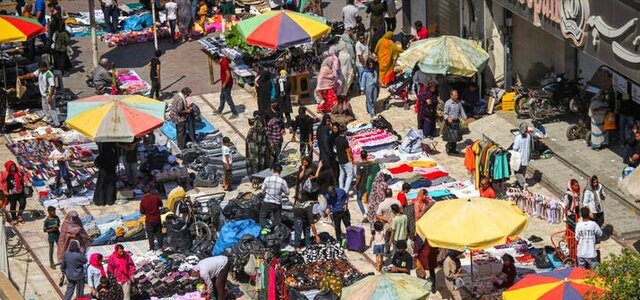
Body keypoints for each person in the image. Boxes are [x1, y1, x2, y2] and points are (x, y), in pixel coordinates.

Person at [18, 62, 58, 126]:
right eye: (40, 68)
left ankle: (56, 123)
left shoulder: (49, 75)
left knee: (52, 109)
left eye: (42, 68)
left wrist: (50, 97)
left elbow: (52, 86)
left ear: (45, 68)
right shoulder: (40, 71)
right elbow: (31, 75)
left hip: (49, 94)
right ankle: (50, 119)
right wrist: (22, 77)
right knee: (45, 108)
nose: (41, 69)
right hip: (43, 94)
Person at [1, 160, 31, 225]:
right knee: (13, 206)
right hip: (12, 193)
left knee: (23, 203)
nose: (13, 167)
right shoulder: (5, 174)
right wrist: (4, 191)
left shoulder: (19, 170)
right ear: (8, 167)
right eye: (11, 167)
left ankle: (19, 215)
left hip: (20, 191)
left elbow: (24, 175)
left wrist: (26, 181)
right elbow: (1, 182)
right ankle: (14, 218)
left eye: (13, 165)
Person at [212, 53, 239, 118]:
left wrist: (224, 83)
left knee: (228, 99)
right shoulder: (222, 60)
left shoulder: (224, 64)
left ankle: (234, 113)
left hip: (227, 84)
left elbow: (228, 75)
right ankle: (220, 110)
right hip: (224, 84)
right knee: (222, 97)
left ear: (216, 59)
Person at [315, 115, 336, 194]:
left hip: (322, 153)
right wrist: (331, 154)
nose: (328, 123)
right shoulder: (326, 130)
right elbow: (327, 143)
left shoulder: (320, 128)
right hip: (327, 155)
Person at [315, 48, 341, 113]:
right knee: (331, 98)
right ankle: (332, 108)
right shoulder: (326, 68)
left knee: (326, 98)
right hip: (326, 87)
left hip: (324, 87)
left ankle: (326, 108)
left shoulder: (325, 67)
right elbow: (333, 73)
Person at [442, 90, 468, 155]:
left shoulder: (458, 103)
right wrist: (448, 118)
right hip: (450, 123)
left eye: (457, 95)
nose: (456, 97)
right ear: (451, 95)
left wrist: (465, 118)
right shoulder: (448, 103)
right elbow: (445, 113)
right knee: (451, 136)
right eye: (455, 95)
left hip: (456, 121)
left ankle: (453, 149)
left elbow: (461, 111)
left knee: (456, 136)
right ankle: (448, 147)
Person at [376, 188, 400, 254]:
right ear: (391, 194)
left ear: (385, 194)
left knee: (386, 239)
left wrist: (387, 219)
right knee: (395, 240)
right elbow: (401, 212)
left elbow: (377, 215)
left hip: (386, 225)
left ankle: (387, 251)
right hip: (396, 225)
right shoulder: (397, 202)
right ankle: (395, 253)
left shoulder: (382, 204)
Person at [139, 186, 163, 251]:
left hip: (149, 220)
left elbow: (142, 211)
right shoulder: (156, 197)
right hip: (157, 218)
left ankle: (152, 248)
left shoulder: (143, 201)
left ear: (143, 193)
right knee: (159, 233)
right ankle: (160, 247)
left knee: (150, 235)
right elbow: (161, 204)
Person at [512, 122, 532, 188]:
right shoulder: (529, 136)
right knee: (523, 171)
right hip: (526, 157)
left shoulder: (518, 137)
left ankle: (523, 184)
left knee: (517, 172)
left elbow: (515, 148)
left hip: (519, 158)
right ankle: (520, 184)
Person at [354, 150, 372, 217]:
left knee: (359, 199)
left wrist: (356, 185)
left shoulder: (359, 165)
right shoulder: (371, 164)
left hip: (361, 185)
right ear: (367, 156)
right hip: (369, 184)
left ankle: (364, 213)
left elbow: (358, 177)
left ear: (361, 156)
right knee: (369, 198)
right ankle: (370, 210)